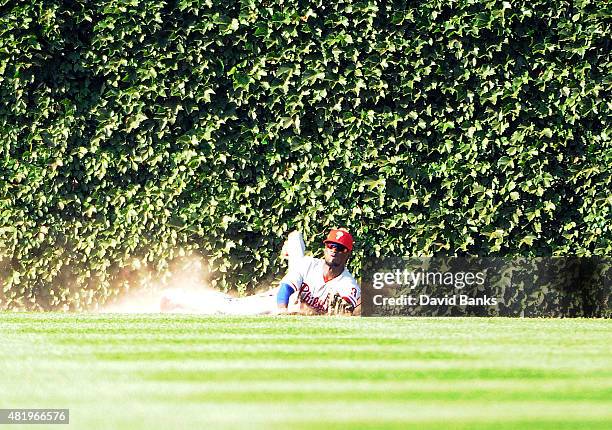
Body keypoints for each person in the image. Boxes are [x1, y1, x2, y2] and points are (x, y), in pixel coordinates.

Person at [277, 228, 361, 315]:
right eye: (330, 246)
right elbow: (286, 287)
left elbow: (344, 313)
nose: (334, 250)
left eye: (340, 248)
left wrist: (309, 312)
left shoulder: (349, 285)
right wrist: (283, 310)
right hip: (280, 302)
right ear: (325, 248)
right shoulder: (308, 264)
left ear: (348, 254)